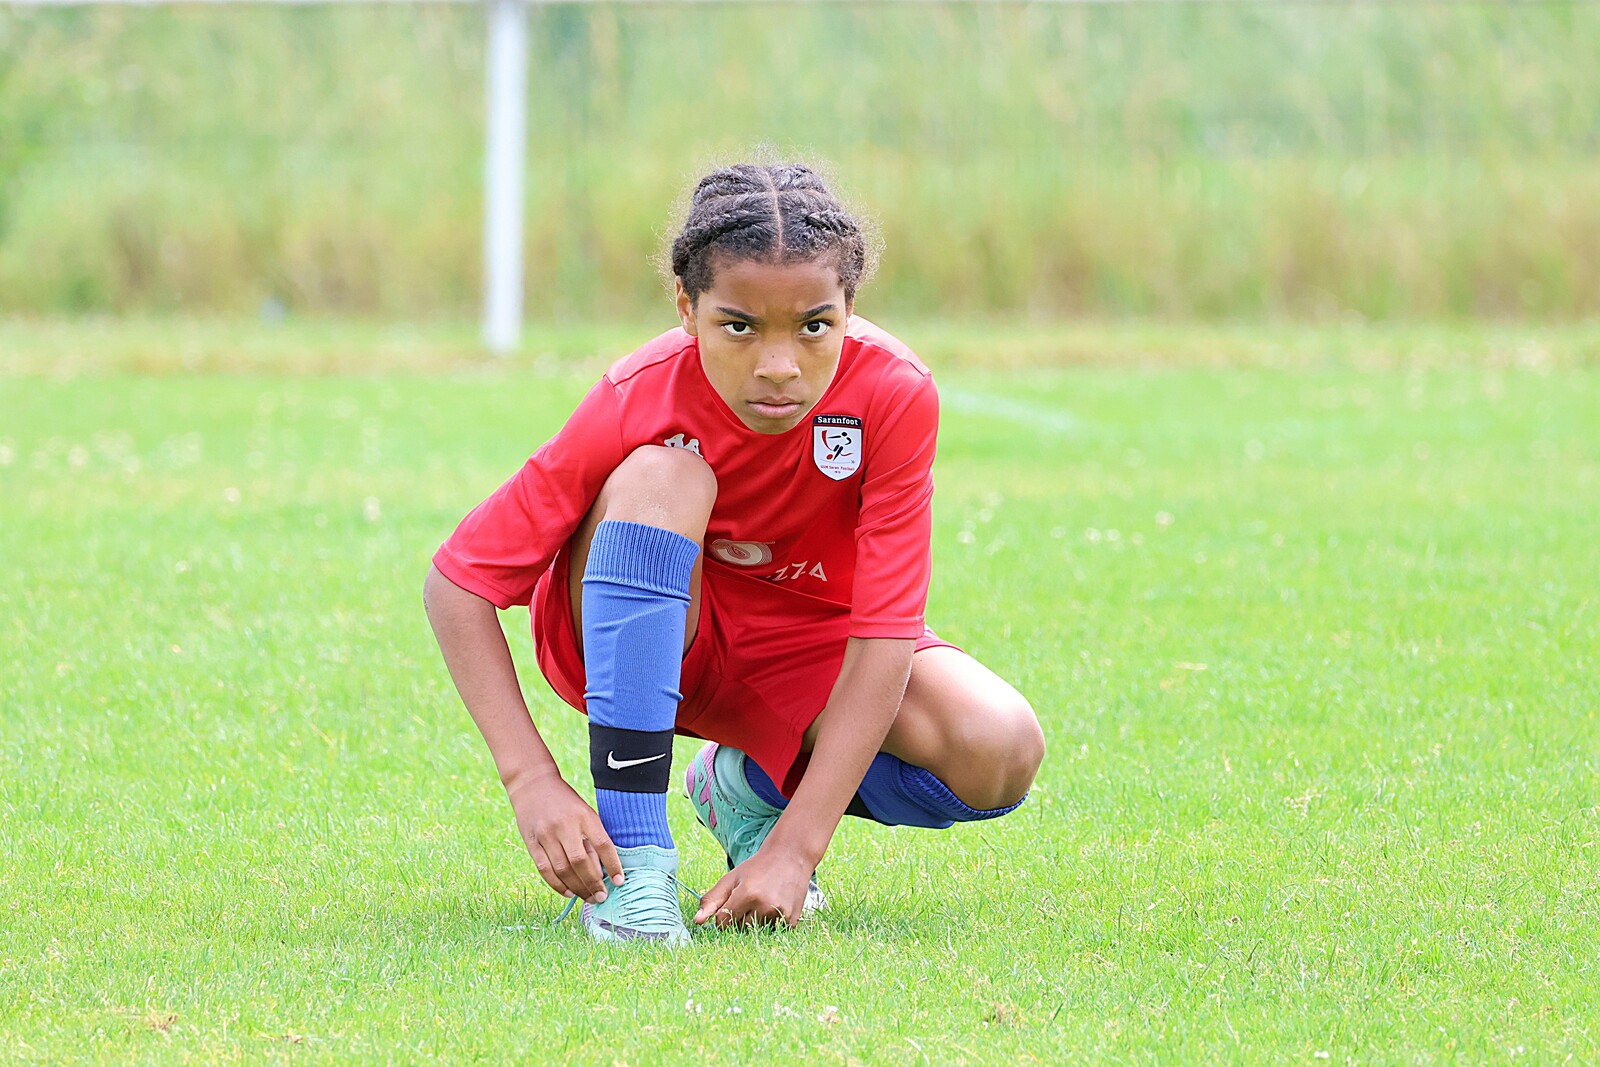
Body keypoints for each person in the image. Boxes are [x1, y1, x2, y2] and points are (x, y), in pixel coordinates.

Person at [424, 162, 1045, 947]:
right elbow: (459, 584)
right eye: (740, 326)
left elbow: (884, 634)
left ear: (850, 309)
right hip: (647, 637)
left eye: (813, 326)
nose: (779, 365)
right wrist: (531, 781)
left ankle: (748, 792)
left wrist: (796, 849)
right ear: (687, 309)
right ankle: (637, 868)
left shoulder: (894, 392)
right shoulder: (639, 390)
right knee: (665, 476)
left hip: (805, 648)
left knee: (1000, 747)